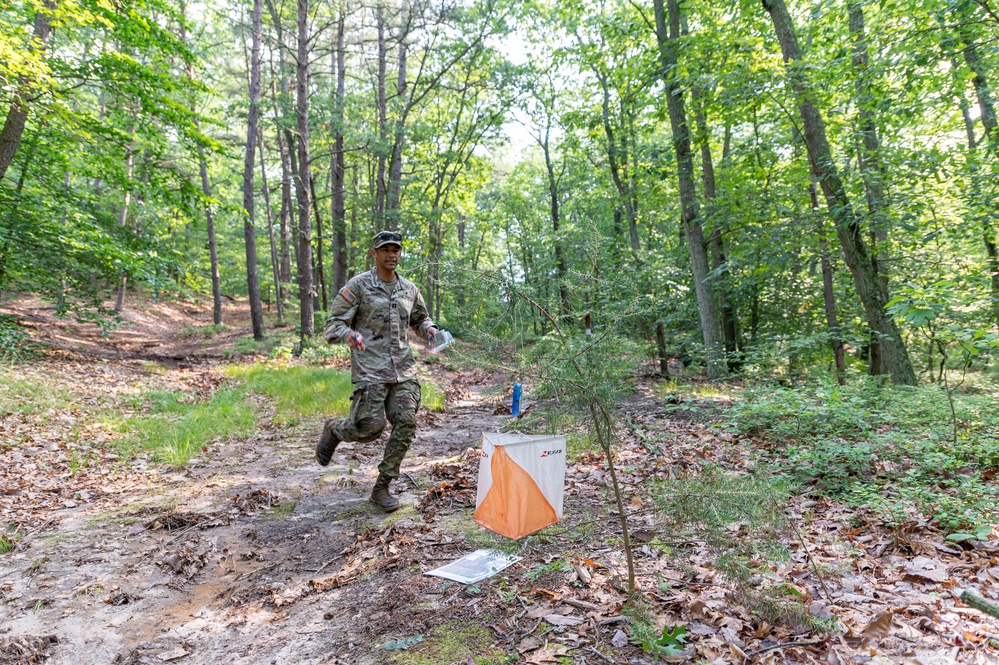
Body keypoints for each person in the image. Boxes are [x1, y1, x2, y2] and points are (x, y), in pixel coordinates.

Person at [317, 230, 438, 512]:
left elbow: (420, 319)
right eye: (386, 250)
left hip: (404, 369)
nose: (392, 254)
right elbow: (333, 323)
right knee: (370, 429)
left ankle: (382, 487)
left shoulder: (409, 288)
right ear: (375, 254)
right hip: (371, 369)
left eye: (396, 250)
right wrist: (347, 334)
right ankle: (335, 429)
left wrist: (429, 330)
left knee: (406, 422)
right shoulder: (358, 285)